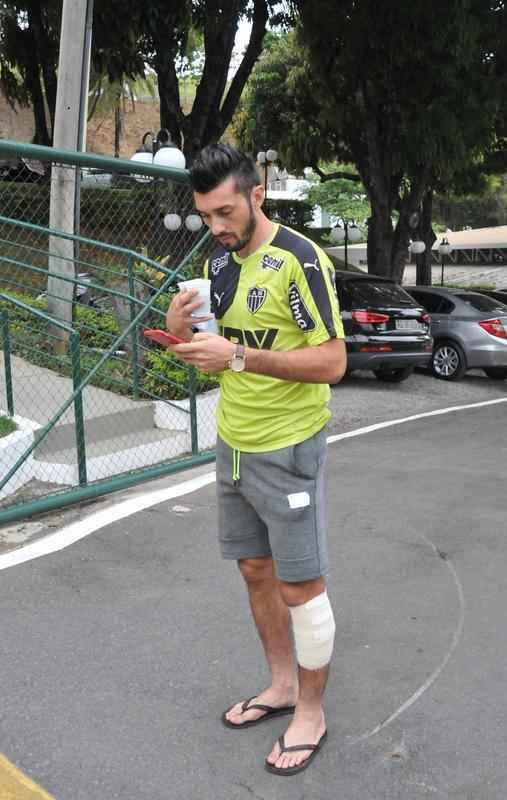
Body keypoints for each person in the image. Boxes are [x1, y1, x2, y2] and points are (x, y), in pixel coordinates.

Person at [166, 144, 346, 776]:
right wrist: (178, 328)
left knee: (300, 583)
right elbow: (212, 344)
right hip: (234, 442)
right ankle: (282, 686)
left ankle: (313, 712)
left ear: (256, 194)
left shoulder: (298, 260)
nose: (215, 227)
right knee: (253, 568)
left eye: (224, 212)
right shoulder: (220, 263)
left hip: (290, 444)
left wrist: (239, 358)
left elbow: (332, 361)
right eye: (205, 215)